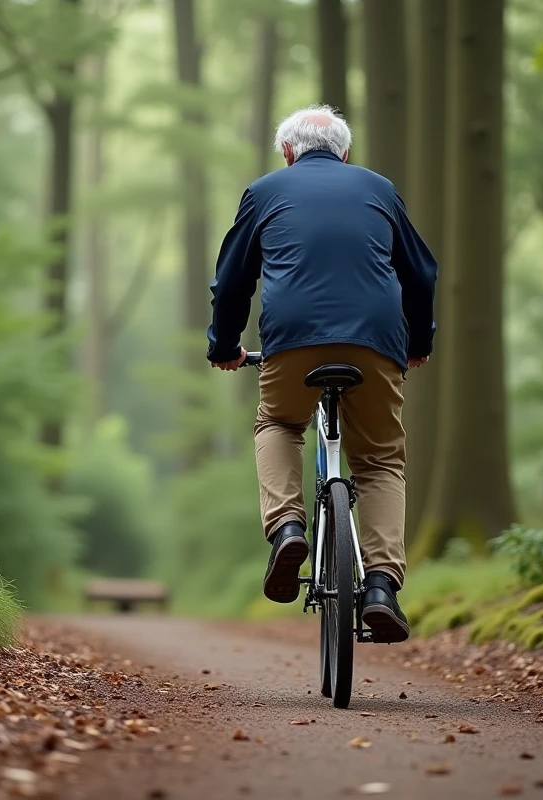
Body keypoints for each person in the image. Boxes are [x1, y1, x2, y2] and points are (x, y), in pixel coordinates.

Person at [206, 105, 437, 644]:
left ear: (288, 153)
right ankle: (381, 585)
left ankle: (287, 528)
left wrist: (224, 347)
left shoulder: (263, 192)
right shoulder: (380, 189)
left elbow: (232, 281)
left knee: (279, 424)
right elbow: (420, 274)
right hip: (376, 341)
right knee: (379, 459)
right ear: (345, 153)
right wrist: (418, 343)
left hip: (292, 338)